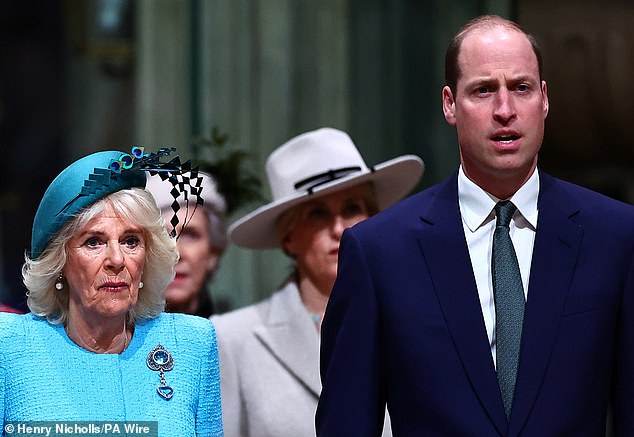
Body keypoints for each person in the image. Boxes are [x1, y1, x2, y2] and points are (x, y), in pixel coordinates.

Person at [316, 15, 634, 436]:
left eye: (520, 88)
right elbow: (347, 423)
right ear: (450, 104)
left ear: (544, 99)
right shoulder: (379, 252)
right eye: (483, 90)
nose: (505, 110)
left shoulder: (615, 236)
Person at [211, 127, 424, 436]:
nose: (340, 229)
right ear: (288, 237)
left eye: (352, 209)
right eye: (317, 214)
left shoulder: (419, 324)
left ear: (374, 219)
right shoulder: (231, 339)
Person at [0, 148, 223, 436]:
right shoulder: (11, 346)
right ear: (60, 262)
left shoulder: (192, 343)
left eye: (131, 241)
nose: (117, 260)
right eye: (94, 242)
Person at [146, 171, 227, 317]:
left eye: (190, 235)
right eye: (161, 236)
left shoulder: (235, 335)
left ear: (213, 253)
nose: (176, 253)